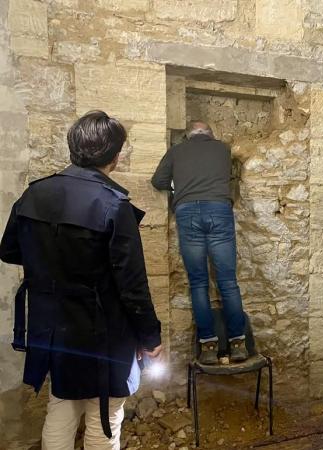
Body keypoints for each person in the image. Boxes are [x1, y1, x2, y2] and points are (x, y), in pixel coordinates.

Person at [0, 110, 162, 449]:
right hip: (104, 329)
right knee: (106, 414)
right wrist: (150, 336)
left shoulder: (33, 194)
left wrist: (51, 270)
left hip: (54, 326)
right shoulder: (114, 205)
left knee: (61, 406)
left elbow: (10, 250)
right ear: (115, 156)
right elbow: (132, 285)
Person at [151, 121, 247, 365]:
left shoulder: (176, 151)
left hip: (187, 213)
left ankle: (208, 347)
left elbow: (158, 181)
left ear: (187, 136)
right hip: (219, 209)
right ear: (210, 135)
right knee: (228, 281)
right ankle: (238, 344)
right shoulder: (222, 149)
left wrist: (178, 188)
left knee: (198, 283)